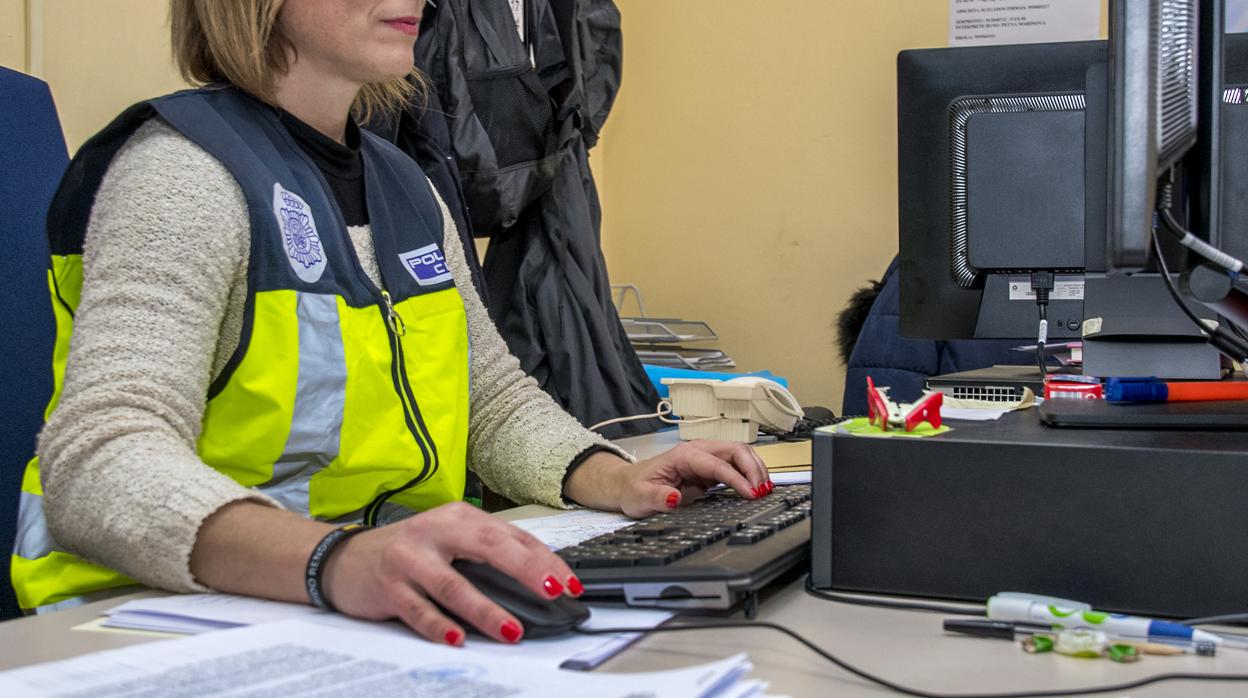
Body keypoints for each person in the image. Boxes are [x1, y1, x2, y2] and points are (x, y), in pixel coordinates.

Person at [12, 0, 774, 647]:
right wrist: (337, 560)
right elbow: (99, 460)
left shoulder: (405, 185)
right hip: (153, 620)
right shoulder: (181, 175)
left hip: (361, 603)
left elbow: (492, 401)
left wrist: (618, 477)